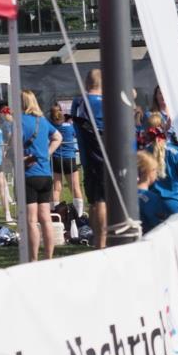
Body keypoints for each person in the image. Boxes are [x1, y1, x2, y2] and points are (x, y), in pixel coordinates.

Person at [22, 90, 62, 260]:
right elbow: (58, 137)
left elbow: (13, 147)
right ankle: (49, 257)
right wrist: (47, 153)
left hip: (29, 173)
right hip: (45, 174)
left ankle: (33, 259)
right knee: (45, 218)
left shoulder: (21, 122)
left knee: (31, 220)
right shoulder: (42, 121)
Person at [70, 68, 108, 248]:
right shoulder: (104, 102)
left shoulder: (79, 102)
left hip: (87, 158)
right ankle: (102, 240)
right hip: (103, 159)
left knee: (93, 201)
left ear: (86, 83)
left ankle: (95, 240)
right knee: (101, 200)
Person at [141, 112, 178, 214]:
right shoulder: (175, 152)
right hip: (174, 203)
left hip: (150, 204)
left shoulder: (143, 154)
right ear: (164, 127)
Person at [49, 103, 83, 216]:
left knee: (56, 188)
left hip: (56, 159)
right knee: (75, 187)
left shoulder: (51, 126)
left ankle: (55, 213)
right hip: (69, 158)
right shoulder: (69, 126)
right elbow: (76, 134)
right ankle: (79, 213)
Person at [137, 151, 171, 234]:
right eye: (156, 170)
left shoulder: (125, 196)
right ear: (149, 172)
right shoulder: (153, 199)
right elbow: (158, 225)